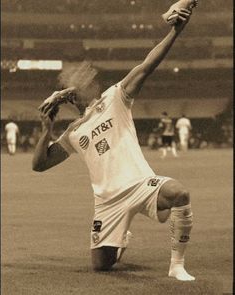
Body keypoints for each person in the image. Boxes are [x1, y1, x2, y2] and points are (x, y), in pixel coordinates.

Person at [33, 4, 195, 281]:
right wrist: (46, 130)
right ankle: (122, 237)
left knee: (179, 193)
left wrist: (175, 32)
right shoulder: (72, 131)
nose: (86, 79)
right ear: (71, 94)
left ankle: (177, 265)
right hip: (107, 202)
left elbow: (147, 65)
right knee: (101, 266)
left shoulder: (115, 98)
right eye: (77, 79)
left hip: (140, 184)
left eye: (86, 76)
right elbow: (40, 164)